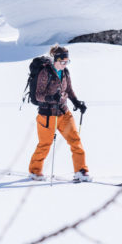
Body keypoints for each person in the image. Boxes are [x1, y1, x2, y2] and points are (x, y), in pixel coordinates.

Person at [28, 45, 92, 182]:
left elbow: (68, 90)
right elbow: (38, 95)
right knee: (45, 145)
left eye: (67, 61)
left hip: (64, 113)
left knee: (75, 140)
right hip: (47, 115)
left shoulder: (65, 72)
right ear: (55, 60)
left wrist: (77, 103)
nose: (64, 64)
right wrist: (51, 98)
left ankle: (81, 171)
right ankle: (35, 171)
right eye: (62, 61)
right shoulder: (45, 72)